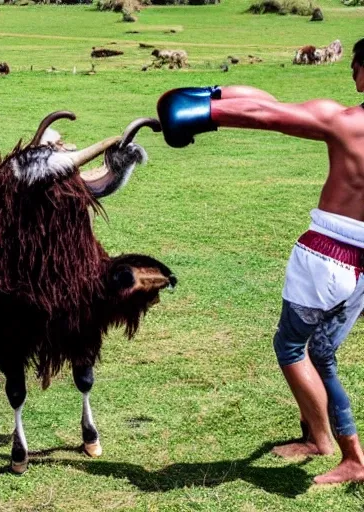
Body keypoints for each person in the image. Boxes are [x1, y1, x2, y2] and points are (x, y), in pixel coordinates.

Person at [156, 38, 364, 485]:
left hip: (327, 259)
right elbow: (275, 102)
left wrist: (203, 113)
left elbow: (266, 116)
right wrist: (216, 93)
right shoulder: (339, 118)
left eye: (356, 67)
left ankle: (344, 451)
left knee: (290, 347)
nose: (351, 74)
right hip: (360, 268)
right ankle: (324, 441)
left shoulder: (348, 123)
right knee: (322, 352)